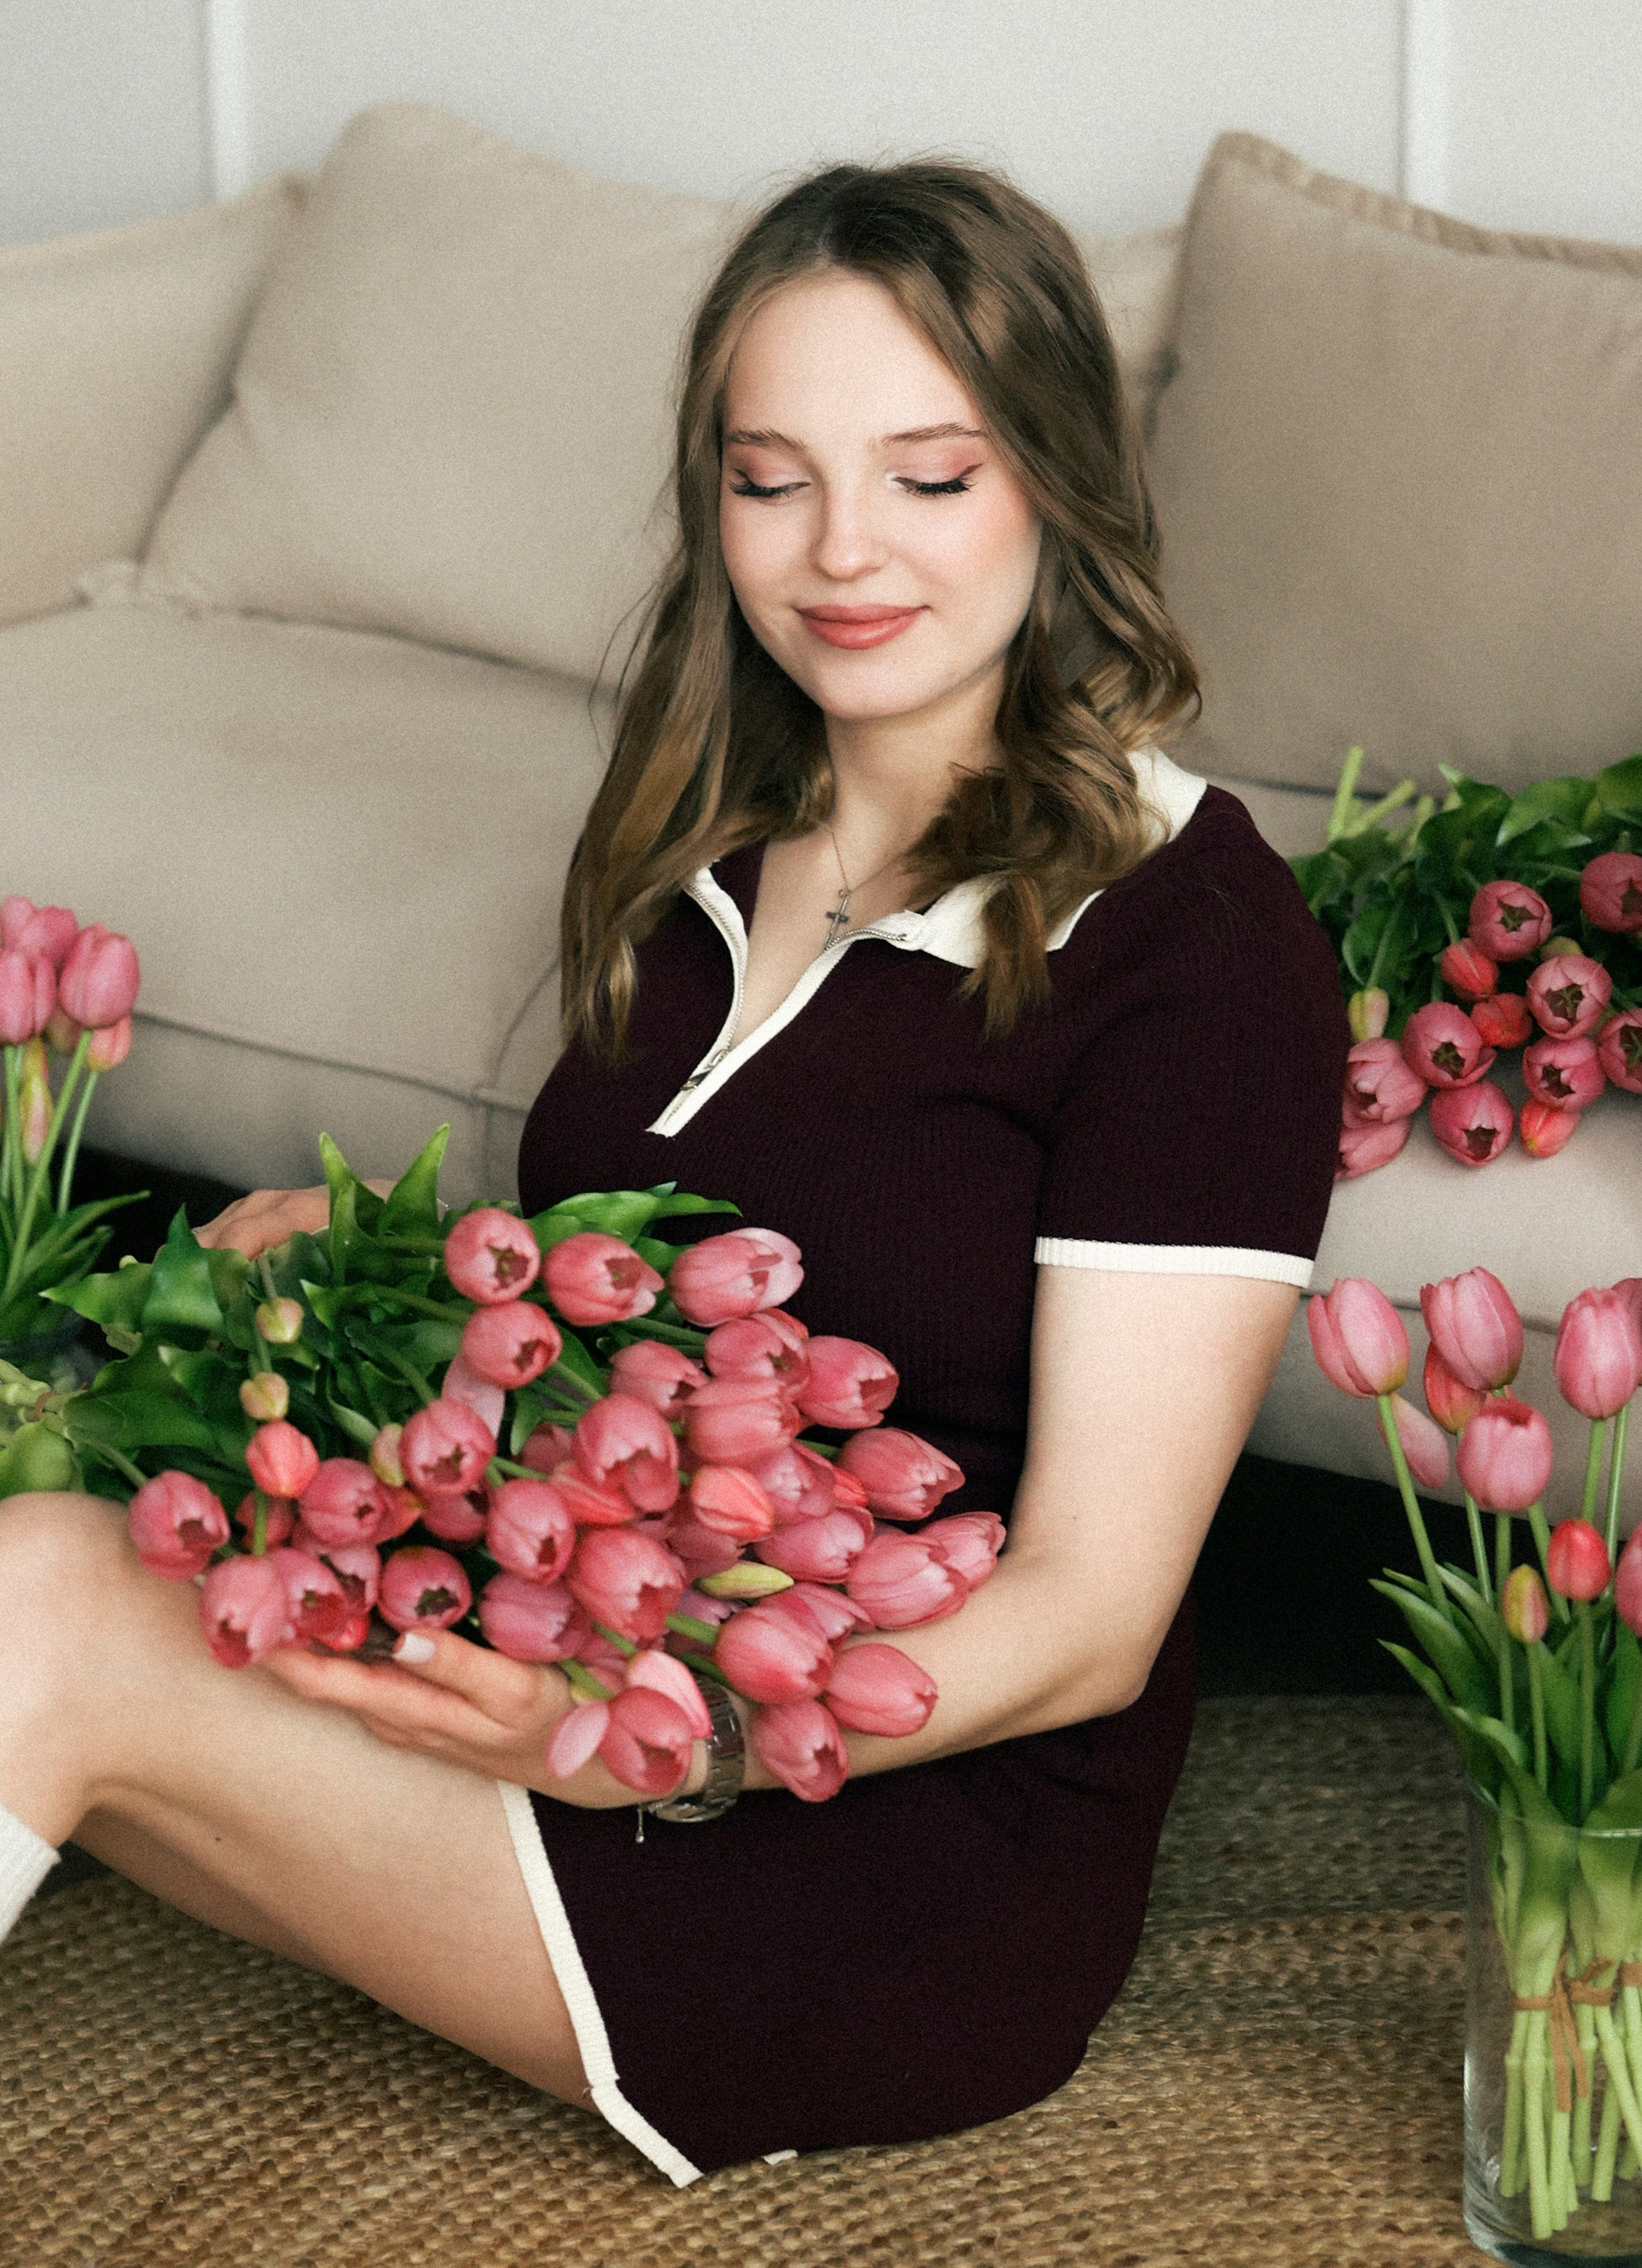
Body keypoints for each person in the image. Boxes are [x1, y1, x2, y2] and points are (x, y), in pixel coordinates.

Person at [0, 160, 1348, 2182]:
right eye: (770, 478)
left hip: (875, 1854)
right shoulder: (712, 839)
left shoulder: (1194, 949)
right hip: (572, 1653)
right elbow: (694, 1283)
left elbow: (1095, 1613)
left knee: (37, 1608)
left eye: (929, 475)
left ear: (1062, 485)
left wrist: (695, 1733)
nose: (840, 551)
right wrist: (401, 1268)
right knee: (67, 1507)